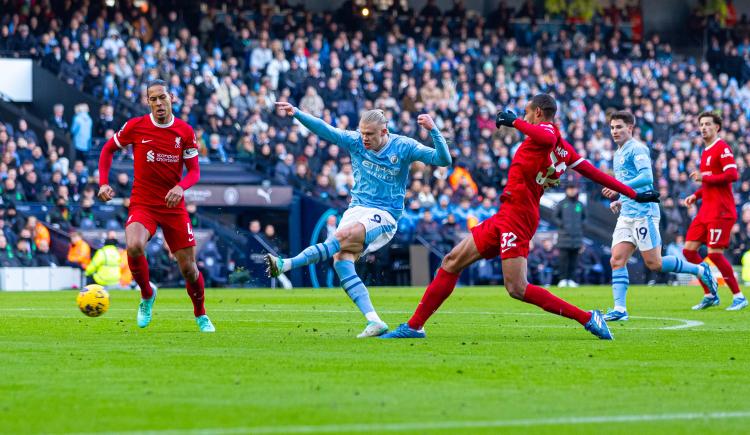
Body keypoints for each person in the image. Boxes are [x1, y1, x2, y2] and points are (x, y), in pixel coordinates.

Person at [381, 94, 659, 340]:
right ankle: (415, 326)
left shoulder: (547, 134)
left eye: (527, 113)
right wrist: (633, 194)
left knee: (517, 288)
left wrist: (515, 122)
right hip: (507, 213)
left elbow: (547, 136)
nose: (524, 117)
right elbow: (593, 172)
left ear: (537, 113)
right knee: (452, 261)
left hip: (519, 217)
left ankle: (587, 318)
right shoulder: (563, 149)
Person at [267, 102, 451, 338]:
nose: (364, 138)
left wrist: (434, 131)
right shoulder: (355, 141)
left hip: (385, 214)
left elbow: (443, 160)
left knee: (342, 236)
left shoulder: (403, 146)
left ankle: (286, 264)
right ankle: (374, 321)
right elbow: (326, 130)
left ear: (384, 132)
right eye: (362, 132)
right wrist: (298, 114)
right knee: (341, 260)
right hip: (357, 208)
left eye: (370, 134)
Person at [97, 79, 214, 332]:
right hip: (143, 203)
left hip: (173, 205)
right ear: (147, 101)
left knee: (189, 269)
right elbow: (107, 150)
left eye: (162, 97)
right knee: (134, 245)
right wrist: (103, 183)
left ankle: (201, 314)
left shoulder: (184, 131)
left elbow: (194, 172)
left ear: (172, 97)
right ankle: (147, 295)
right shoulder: (136, 127)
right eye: (153, 99)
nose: (159, 103)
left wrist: (180, 187)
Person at [602, 111, 717, 321]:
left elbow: (647, 177)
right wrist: (621, 199)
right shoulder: (618, 153)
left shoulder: (637, 148)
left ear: (630, 128)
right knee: (617, 260)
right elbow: (634, 184)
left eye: (619, 127)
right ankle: (620, 309)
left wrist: (618, 188)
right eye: (612, 127)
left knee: (654, 263)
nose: (615, 131)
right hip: (627, 212)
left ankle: (700, 270)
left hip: (644, 213)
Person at [683, 112, 747, 311]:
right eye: (701, 124)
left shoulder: (722, 148)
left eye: (708, 124)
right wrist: (697, 195)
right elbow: (710, 181)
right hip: (706, 211)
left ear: (717, 127)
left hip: (721, 211)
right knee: (688, 251)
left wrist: (705, 179)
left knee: (716, 255)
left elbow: (732, 174)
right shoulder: (705, 151)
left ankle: (739, 297)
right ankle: (710, 293)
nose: (703, 128)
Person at [555, 183, 585, 287]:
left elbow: (585, 218)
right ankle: (563, 280)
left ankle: (572, 279)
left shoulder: (580, 204)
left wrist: (579, 227)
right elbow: (555, 217)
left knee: (574, 260)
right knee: (563, 260)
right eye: (570, 189)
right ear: (566, 190)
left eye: (574, 188)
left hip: (576, 238)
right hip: (564, 237)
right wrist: (562, 225)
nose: (572, 191)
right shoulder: (561, 204)